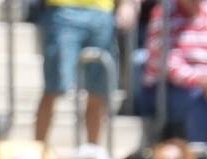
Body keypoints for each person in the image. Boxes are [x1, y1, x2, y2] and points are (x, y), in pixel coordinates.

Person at [139, 0, 207, 143]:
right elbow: (166, 62)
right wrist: (202, 81)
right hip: (167, 90)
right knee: (200, 99)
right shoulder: (164, 12)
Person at [34, 0, 133, 145]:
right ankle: (38, 151)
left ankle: (92, 156)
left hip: (103, 12)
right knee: (54, 87)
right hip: (62, 9)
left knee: (98, 92)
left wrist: (127, 3)